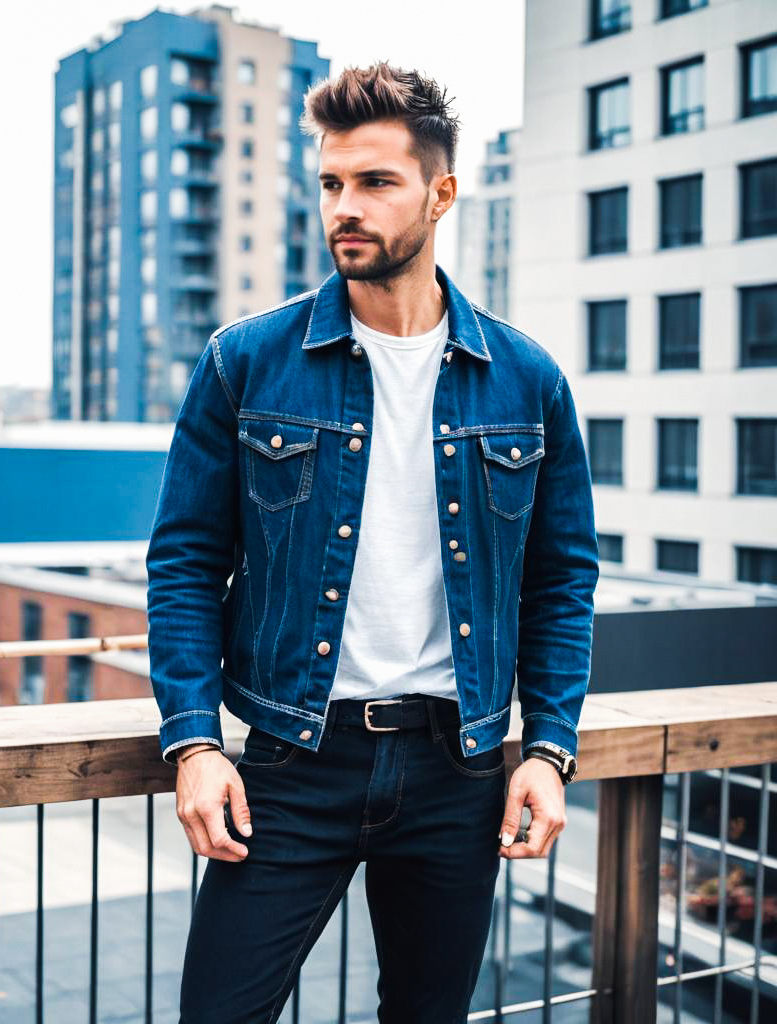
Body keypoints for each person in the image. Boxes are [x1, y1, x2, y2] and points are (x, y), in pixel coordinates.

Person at [145, 61, 598, 1024]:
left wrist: (548, 750)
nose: (344, 207)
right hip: (286, 766)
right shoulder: (245, 360)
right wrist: (192, 744)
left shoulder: (527, 378)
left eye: (375, 183)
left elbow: (561, 582)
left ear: (440, 194)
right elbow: (184, 563)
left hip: (458, 772)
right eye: (331, 183)